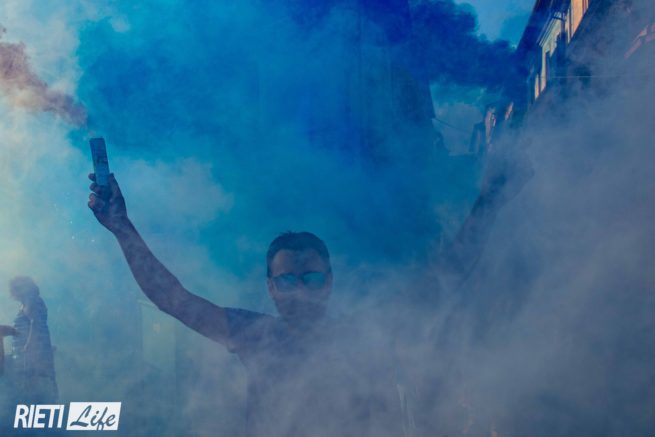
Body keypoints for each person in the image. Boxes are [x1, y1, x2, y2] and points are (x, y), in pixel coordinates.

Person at [87, 145, 531, 436]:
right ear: (271, 288)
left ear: (329, 281)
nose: (300, 290)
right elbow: (173, 299)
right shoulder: (255, 335)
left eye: (311, 278)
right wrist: (122, 228)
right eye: (288, 280)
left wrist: (490, 202)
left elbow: (446, 276)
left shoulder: (365, 333)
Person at [0, 276, 58, 404]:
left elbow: (35, 322)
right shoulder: (29, 302)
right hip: (27, 354)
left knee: (31, 384)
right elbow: (28, 325)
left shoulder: (30, 301)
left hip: (30, 355)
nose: (11, 293)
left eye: (13, 289)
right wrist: (12, 331)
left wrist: (29, 344)